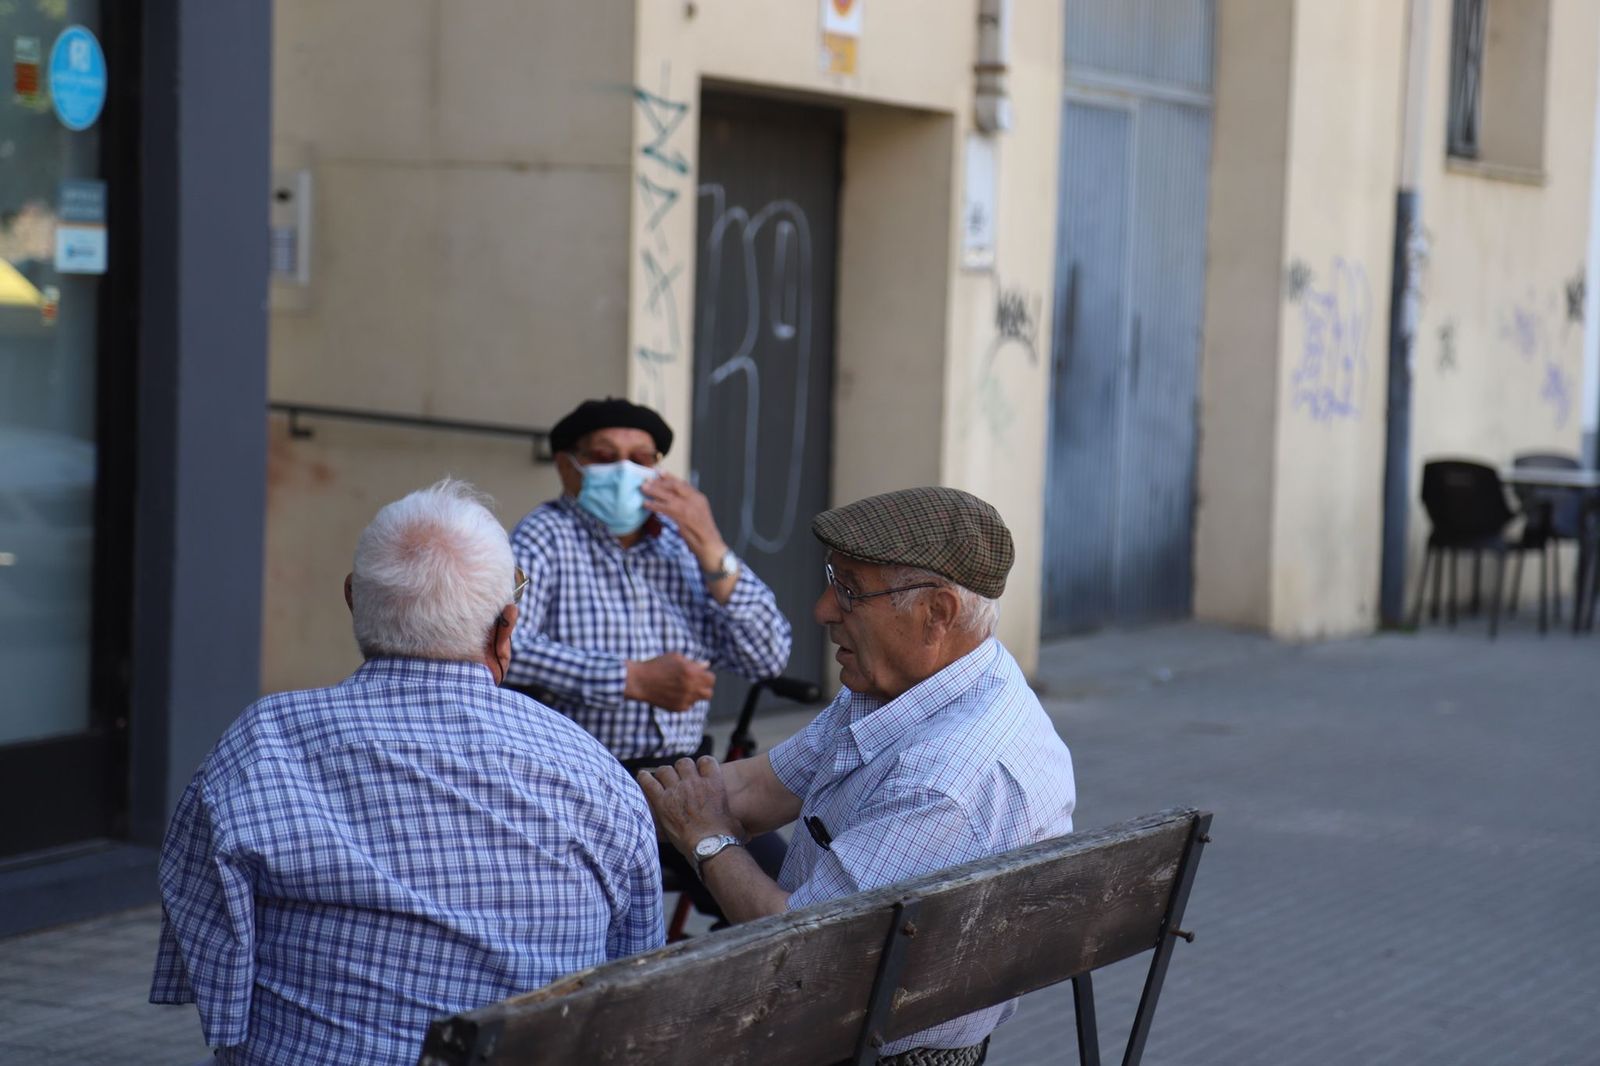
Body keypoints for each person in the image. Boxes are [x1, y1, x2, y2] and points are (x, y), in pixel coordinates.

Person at [150, 480, 662, 1065]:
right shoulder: (593, 770)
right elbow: (632, 968)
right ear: (505, 629)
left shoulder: (263, 742)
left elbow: (212, 964)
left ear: (352, 598)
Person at [639, 486, 1077, 1066]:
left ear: (937, 613)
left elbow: (801, 950)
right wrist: (591, 795)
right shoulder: (922, 682)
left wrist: (707, 840)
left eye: (849, 589)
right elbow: (756, 789)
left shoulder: (942, 781)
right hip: (842, 1014)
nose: (823, 608)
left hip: (864, 1044)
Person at [505, 397, 793, 914]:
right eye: (604, 456)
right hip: (580, 779)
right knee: (591, 916)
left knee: (782, 888)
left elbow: (768, 655)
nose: (625, 470)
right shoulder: (543, 536)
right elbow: (502, 645)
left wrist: (710, 545)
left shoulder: (680, 547)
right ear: (567, 466)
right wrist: (627, 678)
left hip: (683, 779)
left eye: (640, 458)